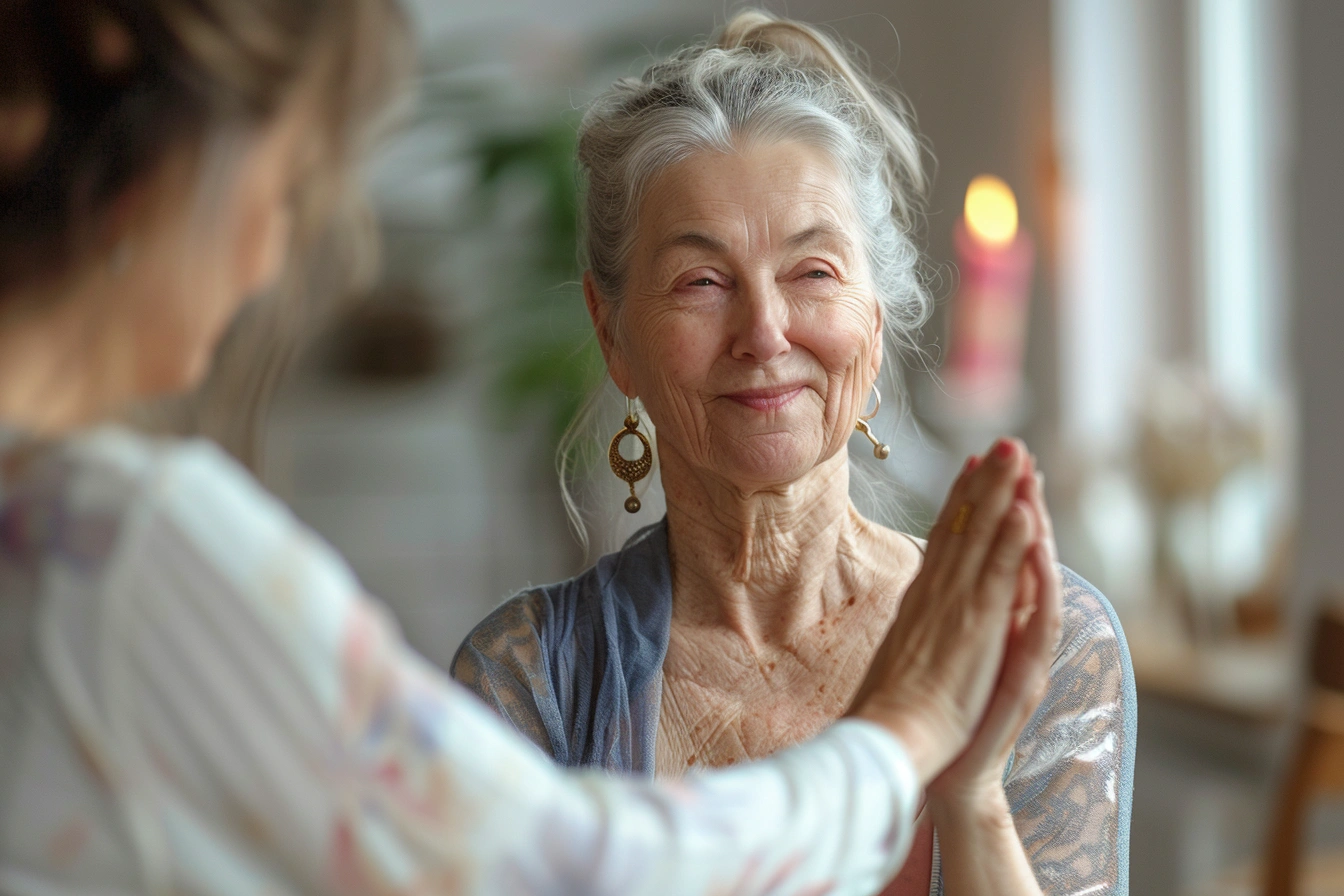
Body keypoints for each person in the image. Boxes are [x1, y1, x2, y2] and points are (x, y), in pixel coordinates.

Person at [0, 2, 1062, 895]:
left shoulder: (76, 523)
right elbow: (565, 859)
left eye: (814, 271)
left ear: (879, 310)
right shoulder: (110, 538)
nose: (271, 254)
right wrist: (906, 731)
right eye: (282, 187)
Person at [452, 11, 1136, 896]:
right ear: (611, 331)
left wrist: (971, 795)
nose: (766, 332)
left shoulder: (1041, 642)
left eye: (813, 272)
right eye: (702, 281)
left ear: (874, 322)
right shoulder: (529, 679)